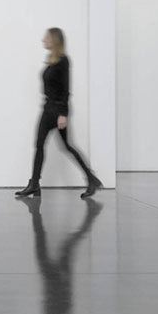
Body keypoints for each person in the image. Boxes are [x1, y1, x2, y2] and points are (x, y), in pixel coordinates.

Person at [15, 27, 102, 198]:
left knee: (67, 146)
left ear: (54, 40)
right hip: (47, 108)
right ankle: (34, 184)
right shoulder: (51, 60)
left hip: (57, 111)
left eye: (46, 38)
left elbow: (65, 89)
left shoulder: (63, 61)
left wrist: (63, 114)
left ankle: (91, 178)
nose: (43, 40)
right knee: (40, 145)